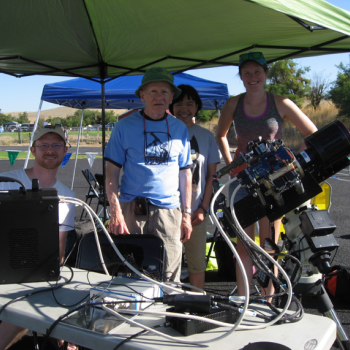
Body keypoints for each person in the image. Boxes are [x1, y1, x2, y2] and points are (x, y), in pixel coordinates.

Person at [216, 52, 317, 299]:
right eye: (247, 73)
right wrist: (231, 167)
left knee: (268, 245)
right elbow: (220, 135)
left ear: (266, 74)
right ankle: (243, 298)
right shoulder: (233, 104)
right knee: (243, 244)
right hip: (242, 184)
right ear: (241, 77)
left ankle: (267, 299)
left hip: (274, 184)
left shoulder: (280, 103)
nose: (252, 77)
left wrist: (291, 164)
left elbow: (312, 133)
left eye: (257, 72)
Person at [105, 67, 193, 282]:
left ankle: (166, 315)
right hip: (132, 210)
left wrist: (187, 214)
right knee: (129, 275)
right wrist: (115, 211)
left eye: (164, 92)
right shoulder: (124, 127)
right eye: (153, 91)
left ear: (172, 97)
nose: (159, 97)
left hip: (169, 213)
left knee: (170, 275)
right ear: (142, 95)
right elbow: (111, 173)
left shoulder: (179, 128)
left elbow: (186, 175)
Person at [0, 125, 76, 350]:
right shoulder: (6, 181)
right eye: (44, 145)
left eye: (56, 145)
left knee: (36, 302)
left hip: (32, 272)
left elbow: (58, 251)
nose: (50, 150)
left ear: (64, 151)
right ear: (33, 150)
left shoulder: (68, 196)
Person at [169, 84, 220, 290]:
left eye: (189, 103)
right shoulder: (164, 131)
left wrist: (203, 208)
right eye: (179, 103)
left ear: (197, 107)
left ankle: (196, 306)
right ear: (171, 106)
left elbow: (211, 177)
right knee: (167, 264)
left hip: (196, 214)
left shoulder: (206, 137)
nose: (184, 108)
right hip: (167, 212)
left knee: (197, 265)